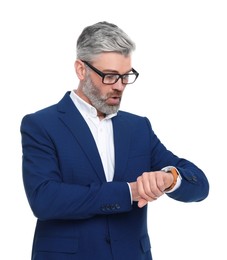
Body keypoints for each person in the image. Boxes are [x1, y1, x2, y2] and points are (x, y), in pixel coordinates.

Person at [20, 21, 209, 260]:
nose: (119, 87)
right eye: (110, 76)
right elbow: (45, 200)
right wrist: (128, 192)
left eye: (125, 76)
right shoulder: (42, 124)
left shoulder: (138, 127)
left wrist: (169, 178)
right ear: (81, 70)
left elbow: (200, 185)